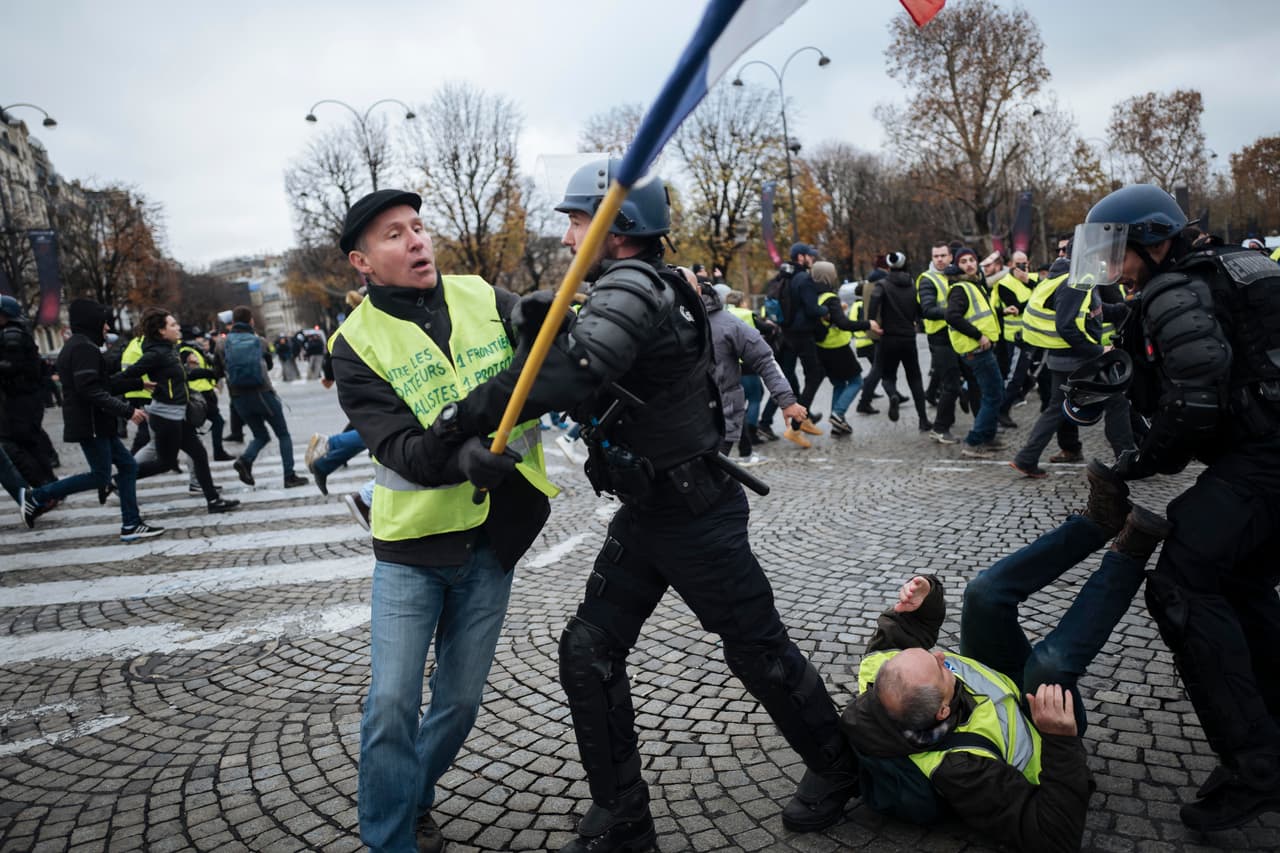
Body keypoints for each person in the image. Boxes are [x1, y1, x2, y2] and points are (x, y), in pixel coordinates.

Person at [457, 159, 861, 852]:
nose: (566, 238)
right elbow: (593, 382)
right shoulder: (642, 287)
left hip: (697, 514)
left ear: (616, 230)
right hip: (649, 511)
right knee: (588, 649)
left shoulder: (637, 288)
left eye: (578, 222)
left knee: (760, 653)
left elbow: (571, 373)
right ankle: (624, 815)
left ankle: (838, 766)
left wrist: (455, 421)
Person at [328, 188, 557, 853]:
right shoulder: (354, 344)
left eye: (420, 227)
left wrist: (553, 317)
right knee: (393, 704)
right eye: (395, 234)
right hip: (412, 551)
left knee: (457, 704)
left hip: (495, 538)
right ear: (361, 261)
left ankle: (414, 790)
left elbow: (551, 349)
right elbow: (399, 447)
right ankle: (390, 839)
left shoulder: (482, 294)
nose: (417, 240)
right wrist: (460, 454)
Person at [1076, 183, 1280, 831]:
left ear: (1154, 240)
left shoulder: (1175, 288)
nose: (1112, 266)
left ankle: (1256, 764)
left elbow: (1194, 404)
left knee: (1182, 582)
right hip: (1265, 452)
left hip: (1266, 461)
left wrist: (1138, 459)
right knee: (1242, 583)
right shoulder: (1235, 266)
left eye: (1119, 250)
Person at [842, 461, 1172, 852]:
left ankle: (1097, 522)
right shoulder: (961, 769)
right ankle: (1128, 555)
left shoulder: (881, 670)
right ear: (943, 711)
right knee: (1048, 665)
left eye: (927, 654)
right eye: (940, 666)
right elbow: (1054, 837)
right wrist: (1062, 741)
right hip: (1045, 724)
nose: (943, 653)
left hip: (998, 683)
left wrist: (924, 591)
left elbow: (912, 628)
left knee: (983, 594)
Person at [18, 299, 165, 541]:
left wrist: (138, 383)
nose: (107, 328)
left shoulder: (80, 346)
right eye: (104, 322)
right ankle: (37, 497)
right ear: (92, 323)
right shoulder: (83, 349)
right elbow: (90, 390)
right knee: (100, 476)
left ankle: (131, 523)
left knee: (128, 466)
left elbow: (102, 383)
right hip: (92, 424)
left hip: (97, 423)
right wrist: (127, 411)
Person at [1010, 246, 1134, 479]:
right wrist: (1099, 350)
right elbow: (1066, 325)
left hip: (1068, 358)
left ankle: (1026, 458)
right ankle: (1127, 459)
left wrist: (1126, 307)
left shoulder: (1079, 279)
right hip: (1078, 358)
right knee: (1116, 401)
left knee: (1057, 408)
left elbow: (1094, 311)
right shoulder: (1074, 283)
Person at [115, 308, 239, 514]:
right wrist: (138, 386)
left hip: (177, 415)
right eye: (172, 325)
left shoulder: (169, 350)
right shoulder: (155, 353)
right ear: (161, 331)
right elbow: (124, 376)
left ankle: (214, 501)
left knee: (198, 454)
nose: (178, 327)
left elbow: (182, 375)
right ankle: (119, 479)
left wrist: (211, 372)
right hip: (165, 417)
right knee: (165, 463)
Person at [697, 275, 802, 460]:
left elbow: (764, 359)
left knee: (712, 478)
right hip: (678, 421)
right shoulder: (667, 322)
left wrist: (787, 400)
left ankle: (750, 438)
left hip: (719, 418)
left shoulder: (728, 322)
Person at [219, 307, 308, 490]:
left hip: (238, 397)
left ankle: (245, 461)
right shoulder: (259, 341)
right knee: (283, 434)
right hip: (262, 394)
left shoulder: (223, 344)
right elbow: (267, 365)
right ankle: (289, 475)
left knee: (260, 434)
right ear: (251, 321)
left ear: (233, 322)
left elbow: (219, 369)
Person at [760, 242, 825, 439]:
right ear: (801, 258)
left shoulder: (784, 276)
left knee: (786, 379)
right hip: (802, 335)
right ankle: (798, 422)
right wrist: (827, 310)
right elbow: (813, 309)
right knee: (815, 375)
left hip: (784, 335)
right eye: (809, 256)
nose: (812, 259)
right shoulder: (803, 278)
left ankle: (768, 422)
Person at [945, 247, 1005, 457]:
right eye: (963, 261)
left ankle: (987, 437)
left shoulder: (974, 285)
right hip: (977, 350)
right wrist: (978, 335)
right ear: (957, 266)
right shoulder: (961, 288)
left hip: (981, 349)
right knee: (993, 394)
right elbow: (952, 316)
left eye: (972, 260)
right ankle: (973, 441)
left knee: (992, 393)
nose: (969, 264)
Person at [863, 253, 931, 432]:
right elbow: (920, 307)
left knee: (887, 376)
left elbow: (874, 302)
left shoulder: (883, 284)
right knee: (915, 378)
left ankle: (893, 395)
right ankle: (923, 420)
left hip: (888, 338)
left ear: (888, 265)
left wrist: (872, 321)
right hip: (908, 337)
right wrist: (917, 320)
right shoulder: (912, 283)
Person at [0, 294, 57, 488]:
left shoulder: (11, 334)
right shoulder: (15, 331)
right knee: (27, 441)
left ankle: (45, 485)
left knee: (23, 442)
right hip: (23, 395)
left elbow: (11, 365)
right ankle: (47, 485)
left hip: (21, 396)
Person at [811, 261, 869, 437]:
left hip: (821, 348)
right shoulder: (830, 297)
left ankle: (838, 423)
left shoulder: (814, 296)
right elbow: (843, 324)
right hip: (837, 347)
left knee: (838, 384)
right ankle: (838, 414)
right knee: (856, 381)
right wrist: (867, 324)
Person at [917, 243, 963, 443]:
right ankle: (940, 427)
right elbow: (927, 309)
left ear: (951, 256)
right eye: (936, 256)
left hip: (957, 334)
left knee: (959, 380)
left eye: (943, 255)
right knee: (950, 383)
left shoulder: (955, 276)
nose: (939, 259)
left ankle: (951, 420)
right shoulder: (928, 279)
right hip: (940, 337)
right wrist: (954, 314)